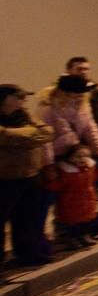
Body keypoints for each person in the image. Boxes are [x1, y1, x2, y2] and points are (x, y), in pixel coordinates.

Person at [0, 85, 55, 268]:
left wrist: (20, 137)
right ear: (5, 99)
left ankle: (28, 254)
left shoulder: (24, 115)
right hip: (5, 177)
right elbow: (3, 135)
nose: (23, 101)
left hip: (30, 174)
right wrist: (30, 135)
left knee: (26, 218)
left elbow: (47, 132)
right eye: (18, 97)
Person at [45, 144, 98, 250]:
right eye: (78, 156)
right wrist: (49, 183)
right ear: (70, 158)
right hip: (70, 202)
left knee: (86, 221)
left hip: (87, 200)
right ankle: (72, 239)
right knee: (72, 224)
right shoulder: (67, 172)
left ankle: (85, 236)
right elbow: (58, 184)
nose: (82, 159)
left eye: (85, 156)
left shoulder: (89, 169)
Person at [65, 57, 98, 142]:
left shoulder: (96, 93)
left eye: (86, 69)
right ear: (68, 70)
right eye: (79, 69)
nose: (83, 72)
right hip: (75, 144)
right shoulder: (61, 94)